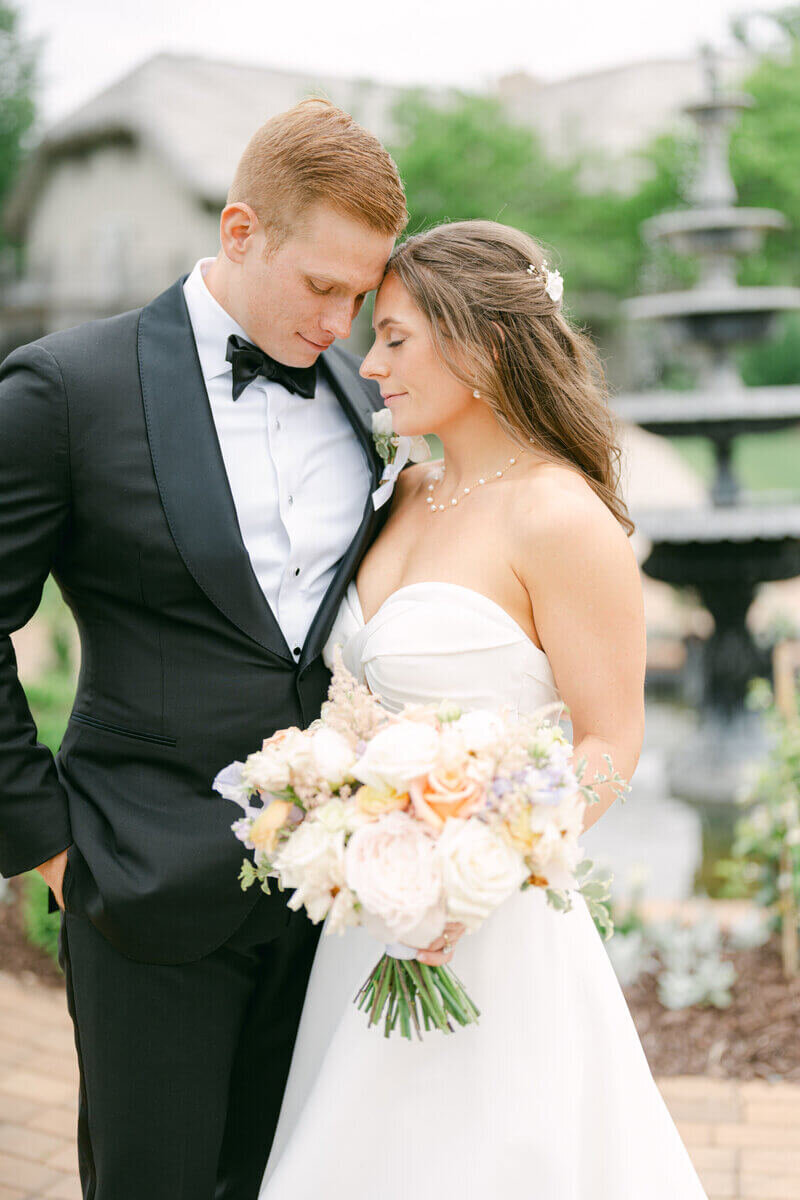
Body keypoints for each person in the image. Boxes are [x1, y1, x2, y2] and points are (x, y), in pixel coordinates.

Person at [0, 99, 406, 1199]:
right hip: (141, 883)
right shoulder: (64, 390)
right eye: (321, 286)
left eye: (362, 298)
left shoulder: (359, 402)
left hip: (335, 902)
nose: (341, 323)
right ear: (239, 232)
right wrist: (49, 845)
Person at [258, 221, 710, 1199]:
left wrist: (480, 871)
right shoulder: (404, 490)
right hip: (362, 923)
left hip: (489, 934)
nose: (369, 365)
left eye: (395, 337)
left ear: (483, 342)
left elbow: (609, 741)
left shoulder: (559, 517)